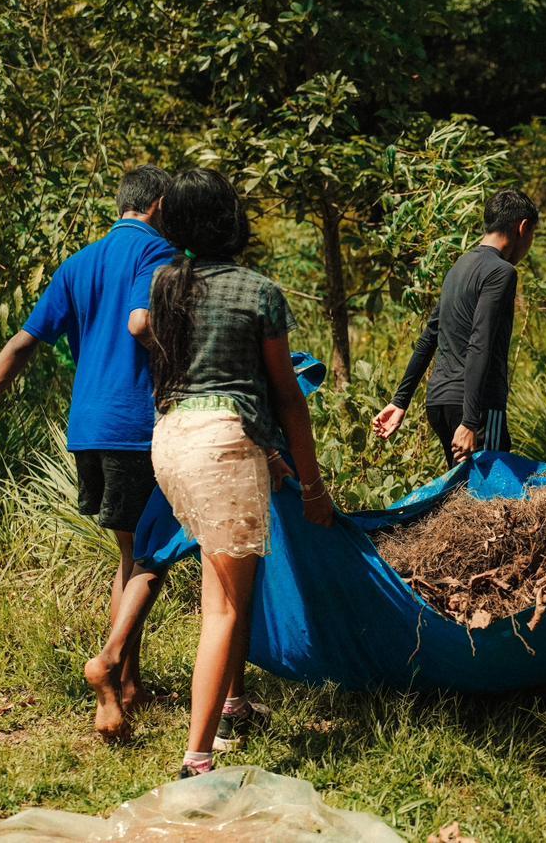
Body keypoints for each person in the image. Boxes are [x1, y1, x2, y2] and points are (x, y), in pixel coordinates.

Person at [0, 166, 175, 743]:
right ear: (160, 205)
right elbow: (142, 326)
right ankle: (110, 669)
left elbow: (21, 344)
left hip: (87, 428)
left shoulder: (79, 262)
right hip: (136, 426)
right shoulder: (159, 253)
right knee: (152, 557)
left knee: (129, 552)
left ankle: (130, 684)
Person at [145, 168, 334, 778]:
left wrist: (271, 459)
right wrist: (311, 483)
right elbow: (286, 396)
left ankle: (233, 704)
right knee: (224, 607)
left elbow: (193, 378)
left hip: (172, 441)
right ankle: (197, 759)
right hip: (223, 447)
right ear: (232, 220)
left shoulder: (166, 284)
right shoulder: (258, 291)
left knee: (221, 586)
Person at [372, 190, 539, 467]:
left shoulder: (459, 267)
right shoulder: (501, 272)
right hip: (478, 408)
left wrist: (400, 401)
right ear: (523, 228)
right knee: (492, 498)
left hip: (440, 403)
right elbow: (480, 342)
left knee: (464, 498)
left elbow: (429, 337)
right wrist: (471, 421)